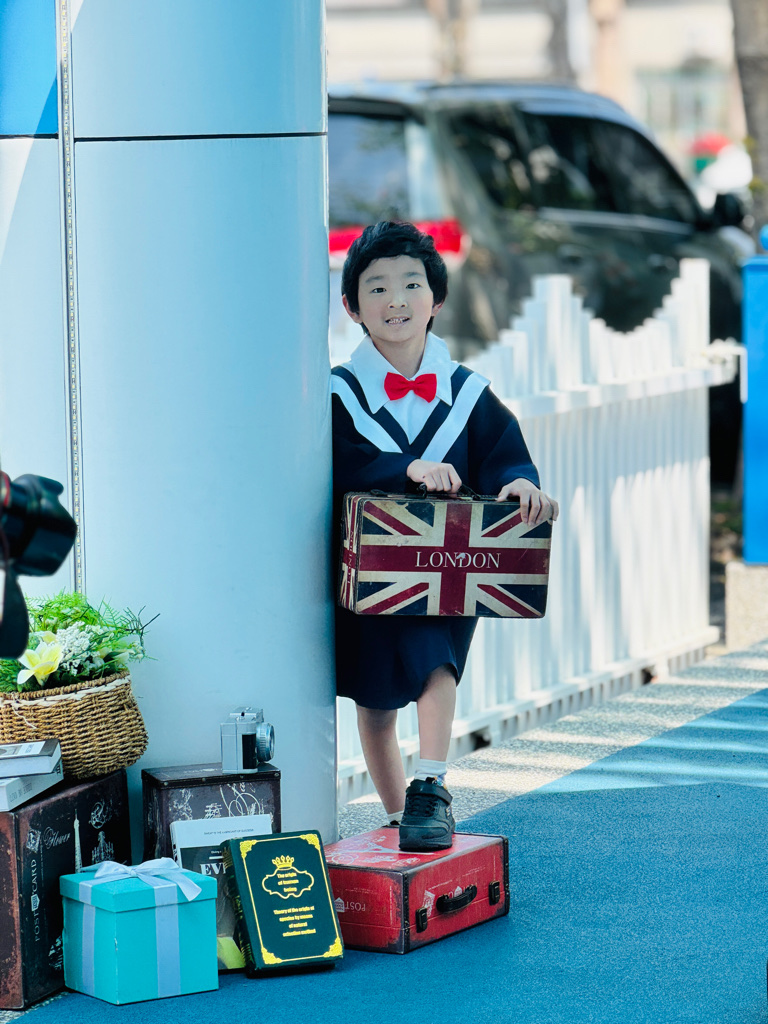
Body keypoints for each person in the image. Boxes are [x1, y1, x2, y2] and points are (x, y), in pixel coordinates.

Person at [332, 221, 558, 851]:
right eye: (377, 288)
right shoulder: (338, 392)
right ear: (352, 306)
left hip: (445, 564)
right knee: (376, 700)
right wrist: (405, 468)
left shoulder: (466, 393)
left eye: (412, 284)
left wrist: (519, 482)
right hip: (370, 567)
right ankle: (398, 812)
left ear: (437, 298)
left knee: (437, 662)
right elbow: (337, 462)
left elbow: (502, 453)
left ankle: (431, 786)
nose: (396, 300)